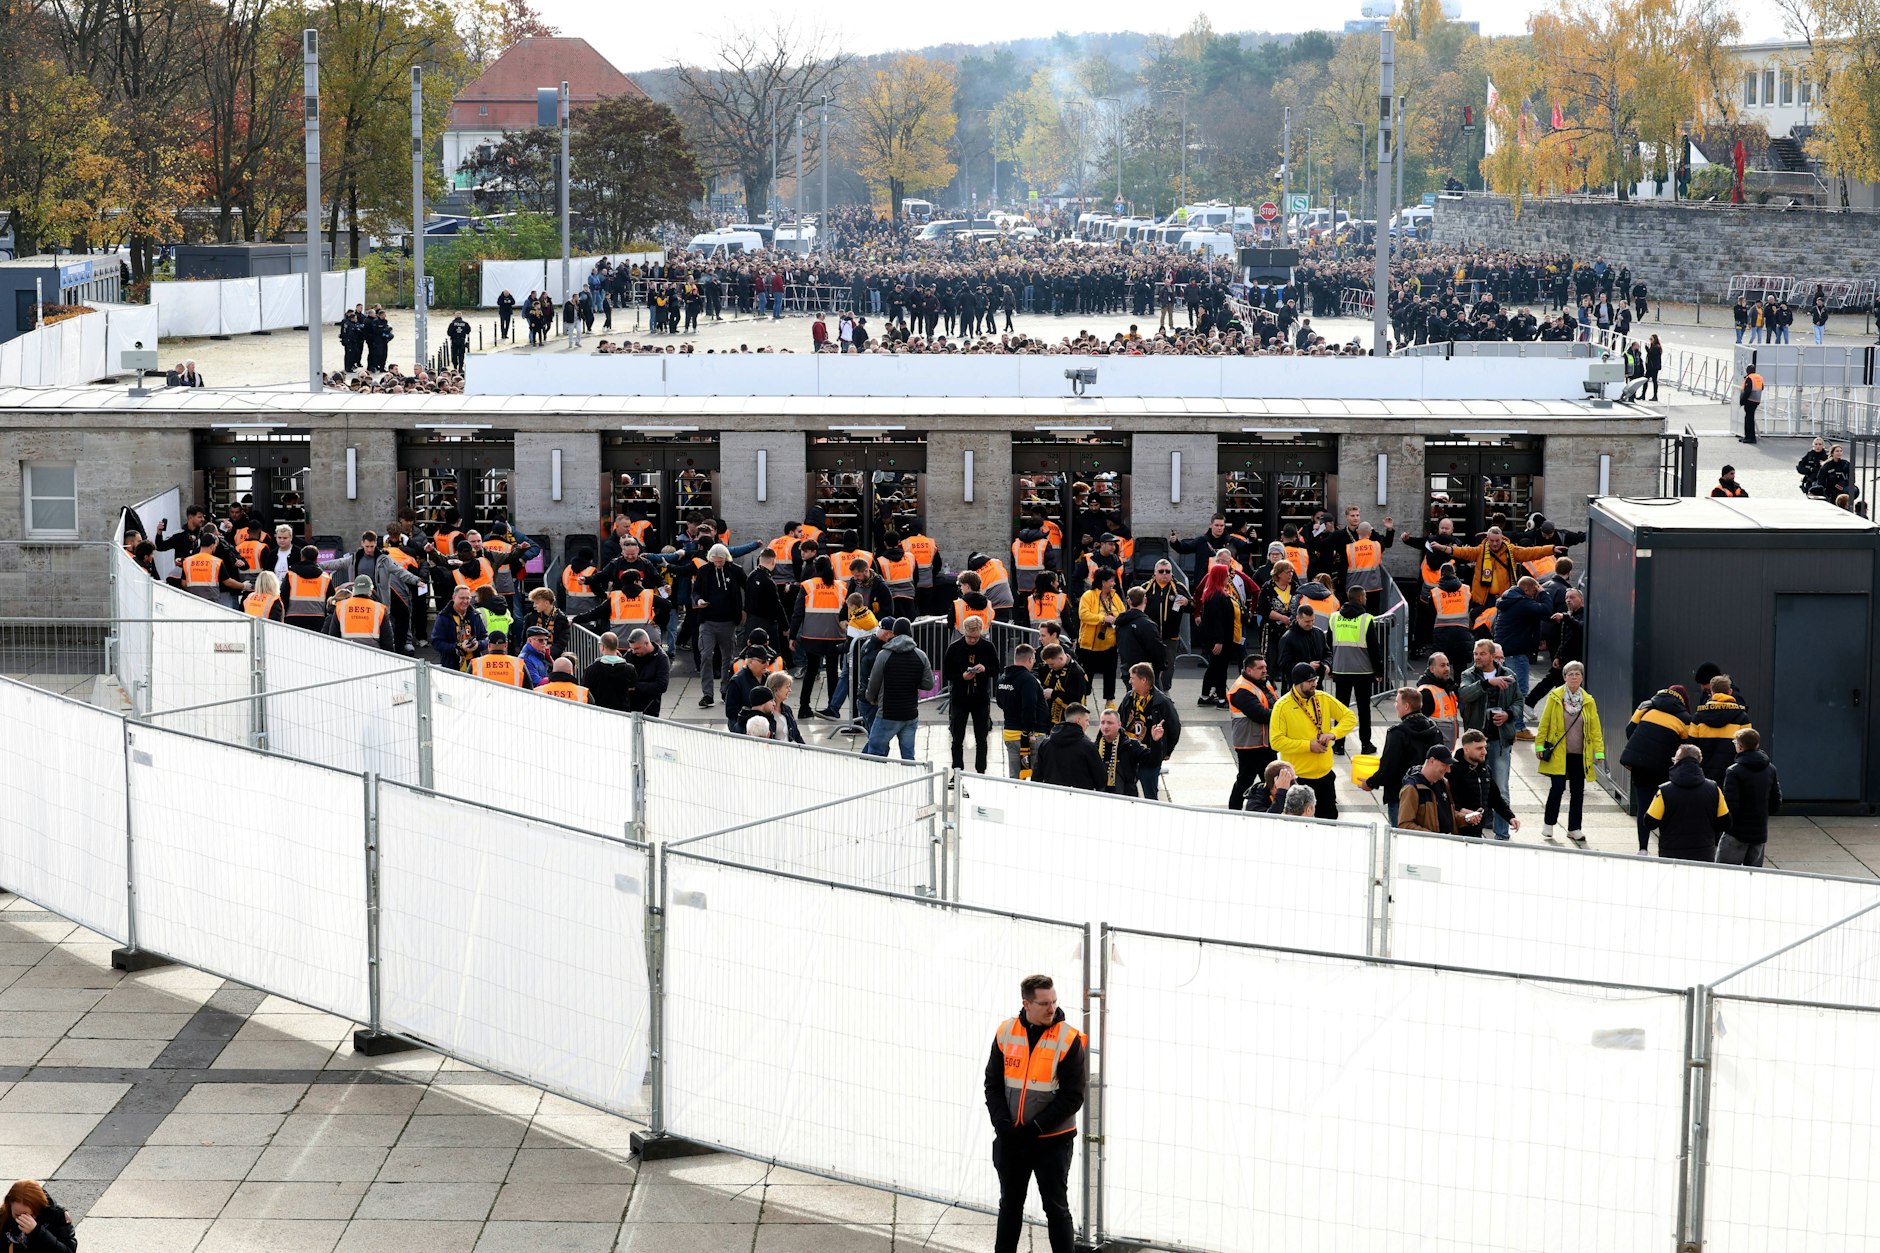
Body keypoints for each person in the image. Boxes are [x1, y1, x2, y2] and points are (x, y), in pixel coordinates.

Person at [984, 974, 1085, 1253]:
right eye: (1044, 1003)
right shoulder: (1006, 1032)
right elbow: (992, 1084)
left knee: (1056, 1208)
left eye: (1054, 1001)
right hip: (1012, 1139)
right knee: (1010, 1206)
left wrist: (1035, 1128)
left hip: (1052, 1142)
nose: (1052, 1008)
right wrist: (1003, 1126)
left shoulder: (1068, 1039)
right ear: (1026, 1004)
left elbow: (1073, 1097)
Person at [1269, 663, 1356, 819]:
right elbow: (1276, 741)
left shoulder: (1322, 698)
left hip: (1325, 776)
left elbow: (1349, 717)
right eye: (1310, 682)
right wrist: (1308, 745)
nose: (1314, 684)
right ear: (1297, 683)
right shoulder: (1282, 706)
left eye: (1315, 680)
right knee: (1298, 824)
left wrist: (1332, 734)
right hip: (1298, 779)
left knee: (1329, 821)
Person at [1535, 660, 1604, 843]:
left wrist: (1599, 753)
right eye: (1570, 674)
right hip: (1559, 753)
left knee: (1578, 792)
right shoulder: (1555, 696)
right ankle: (1548, 825)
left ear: (1582, 677)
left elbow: (1595, 729)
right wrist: (1539, 746)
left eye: (1577, 674)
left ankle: (1574, 828)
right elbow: (1545, 722)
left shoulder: (1588, 701)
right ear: (1564, 677)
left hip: (1579, 755)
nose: (1574, 677)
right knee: (1557, 788)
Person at [1458, 639, 1521, 838]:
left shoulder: (1509, 675)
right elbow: (1465, 694)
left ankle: (1501, 836)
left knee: (1500, 788)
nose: (1477, 657)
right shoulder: (1468, 675)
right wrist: (1487, 683)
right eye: (1476, 653)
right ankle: (1474, 830)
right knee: (1474, 788)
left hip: (1500, 741)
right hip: (1477, 740)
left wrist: (1508, 715)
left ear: (1493, 656)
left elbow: (1519, 701)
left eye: (1482, 654)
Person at [1622, 684, 1692, 852]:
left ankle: (1643, 849)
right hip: (1663, 766)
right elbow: (1687, 746)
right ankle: (1665, 847)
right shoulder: (1684, 718)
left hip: (1640, 764)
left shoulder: (1646, 707)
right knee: (1666, 806)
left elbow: (1629, 731)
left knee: (1643, 806)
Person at [1367, 687, 1442, 824]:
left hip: (1400, 795)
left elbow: (1389, 767)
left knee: (1399, 837)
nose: (1395, 705)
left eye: (1397, 702)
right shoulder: (1434, 729)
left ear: (1406, 706)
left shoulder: (1397, 734)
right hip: (1428, 795)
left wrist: (1370, 783)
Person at [1646, 744, 1731, 861]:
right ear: (1699, 761)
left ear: (1678, 762)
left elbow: (1650, 822)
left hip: (1671, 853)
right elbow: (1725, 823)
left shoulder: (1664, 791)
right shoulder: (1714, 789)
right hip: (1704, 853)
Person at [864, 617, 932, 761]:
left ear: (894, 633)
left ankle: (878, 781)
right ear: (910, 633)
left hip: (887, 713)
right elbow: (928, 684)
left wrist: (870, 698)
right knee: (908, 756)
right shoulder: (921, 656)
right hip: (910, 714)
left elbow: (874, 683)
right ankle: (910, 782)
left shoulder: (884, 655)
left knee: (875, 753)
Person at [1491, 576, 1553, 734]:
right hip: (1516, 653)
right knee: (1519, 690)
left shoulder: (1509, 600)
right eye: (1533, 590)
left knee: (1510, 690)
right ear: (1526, 590)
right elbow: (1546, 611)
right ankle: (1518, 728)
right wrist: (1543, 593)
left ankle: (1510, 726)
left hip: (1509, 651)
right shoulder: (1522, 603)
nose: (1535, 593)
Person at [1116, 662, 1181, 800]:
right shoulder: (1129, 697)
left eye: (1132, 678)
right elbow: (1119, 719)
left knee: (1150, 796)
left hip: (1150, 756)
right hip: (1129, 753)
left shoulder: (1162, 702)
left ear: (1143, 680)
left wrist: (1167, 751)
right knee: (1126, 794)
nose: (1129, 681)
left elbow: (1174, 728)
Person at [1719, 728, 1782, 867]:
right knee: (1754, 877)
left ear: (1740, 747)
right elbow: (1775, 802)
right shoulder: (1770, 768)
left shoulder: (1734, 771)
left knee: (1724, 874)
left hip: (1737, 832)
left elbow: (1731, 805)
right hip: (1759, 831)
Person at [946, 615, 1000, 773]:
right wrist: (961, 676)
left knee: (981, 738)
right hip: (959, 698)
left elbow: (996, 669)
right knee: (957, 738)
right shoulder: (954, 648)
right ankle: (957, 770)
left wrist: (985, 669)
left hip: (980, 698)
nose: (972, 640)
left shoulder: (988, 647)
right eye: (969, 637)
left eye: (975, 637)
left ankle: (981, 771)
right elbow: (947, 673)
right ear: (964, 632)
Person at [1224, 655, 1278, 810]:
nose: (1265, 671)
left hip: (1265, 743)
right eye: (1260, 668)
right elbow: (1260, 714)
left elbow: (1274, 704)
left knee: (1271, 781)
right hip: (1249, 745)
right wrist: (1283, 715)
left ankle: (1270, 810)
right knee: (1245, 781)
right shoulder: (1241, 689)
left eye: (1265, 667)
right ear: (1248, 670)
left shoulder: (1262, 683)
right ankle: (1234, 811)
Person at [1328, 594, 1379, 754]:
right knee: (1364, 709)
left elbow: (1328, 644)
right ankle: (1365, 744)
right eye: (1364, 596)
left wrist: (1331, 665)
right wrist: (1379, 671)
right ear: (1361, 598)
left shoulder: (1334, 618)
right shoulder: (1367, 619)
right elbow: (1374, 648)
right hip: (1363, 671)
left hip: (1341, 669)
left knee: (1340, 709)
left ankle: (1338, 745)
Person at [1194, 560, 1248, 708]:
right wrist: (1219, 641)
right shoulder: (1217, 597)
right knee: (1220, 669)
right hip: (1220, 639)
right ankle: (1221, 699)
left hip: (1219, 638)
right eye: (1225, 576)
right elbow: (1218, 621)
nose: (1228, 578)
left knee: (1214, 667)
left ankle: (1205, 696)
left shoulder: (1215, 594)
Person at [996, 643, 1053, 780]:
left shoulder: (1003, 678)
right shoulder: (1029, 680)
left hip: (1010, 733)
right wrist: (1029, 731)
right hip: (1029, 736)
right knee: (1036, 776)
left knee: (1015, 776)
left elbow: (1000, 702)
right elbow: (1029, 707)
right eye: (1033, 660)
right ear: (1029, 659)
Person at [1450, 729, 1519, 839]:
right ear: (1466, 750)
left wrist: (1510, 817)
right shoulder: (1452, 771)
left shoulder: (1485, 770)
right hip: (1458, 832)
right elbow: (1447, 801)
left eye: (1484, 747)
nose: (1484, 752)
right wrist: (1463, 811)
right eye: (1479, 748)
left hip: (1477, 831)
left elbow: (1495, 798)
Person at [1689, 674, 1752, 783]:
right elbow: (1748, 748)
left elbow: (1691, 747)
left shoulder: (1699, 716)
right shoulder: (1742, 717)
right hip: (1732, 776)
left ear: (1712, 692)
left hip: (1705, 776)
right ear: (1730, 692)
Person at [1076, 567, 1124, 705]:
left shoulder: (1115, 597)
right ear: (1103, 582)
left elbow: (1122, 613)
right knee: (1086, 675)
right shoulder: (1088, 596)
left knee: (1110, 675)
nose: (1113, 583)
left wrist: (1115, 618)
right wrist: (1103, 618)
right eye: (1111, 580)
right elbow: (1084, 615)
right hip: (1089, 646)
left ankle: (1110, 701)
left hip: (1109, 645)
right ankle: (1083, 700)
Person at [1032, 704, 1104, 789]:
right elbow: (1101, 780)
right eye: (1086, 720)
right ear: (1078, 721)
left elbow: (1036, 777)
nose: (1088, 724)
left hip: (1053, 796)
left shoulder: (1046, 744)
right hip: (1080, 798)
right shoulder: (1088, 747)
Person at [1395, 745, 1457, 834]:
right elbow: (1405, 825)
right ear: (1432, 761)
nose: (1448, 770)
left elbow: (1446, 815)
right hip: (1427, 845)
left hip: (1445, 843)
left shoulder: (1442, 782)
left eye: (1449, 766)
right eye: (1444, 765)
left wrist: (1465, 818)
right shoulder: (1412, 788)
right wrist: (1434, 837)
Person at [2, 1179, 76, 1251]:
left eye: (29, 1216)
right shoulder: (4, 1214)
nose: (23, 1219)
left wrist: (37, 1231)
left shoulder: (56, 1215)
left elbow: (69, 1250)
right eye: (17, 1215)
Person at [430, 583, 487, 671]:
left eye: (468, 598)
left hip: (474, 666)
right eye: (462, 598)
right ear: (454, 597)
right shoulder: (444, 617)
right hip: (451, 666)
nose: (465, 601)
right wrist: (458, 647)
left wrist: (478, 645)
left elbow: (485, 638)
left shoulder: (475, 615)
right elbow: (436, 642)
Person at [581, 631, 637, 712]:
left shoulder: (591, 669)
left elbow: (585, 692)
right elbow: (633, 689)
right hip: (623, 714)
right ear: (617, 646)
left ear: (602, 647)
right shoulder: (630, 669)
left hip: (599, 713)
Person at [626, 629, 670, 716]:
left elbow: (662, 686)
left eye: (637, 648)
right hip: (630, 705)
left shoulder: (661, 658)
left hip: (649, 707)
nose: (634, 652)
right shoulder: (630, 654)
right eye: (632, 648)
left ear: (646, 643)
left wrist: (636, 687)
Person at [1739, 365, 1764, 444]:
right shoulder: (1759, 377)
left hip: (1750, 400)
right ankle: (1747, 437)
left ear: (1748, 370)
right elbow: (1762, 387)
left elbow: (1747, 391)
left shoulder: (1749, 378)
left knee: (1749, 419)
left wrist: (1742, 401)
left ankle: (1751, 438)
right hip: (1756, 400)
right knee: (1749, 418)